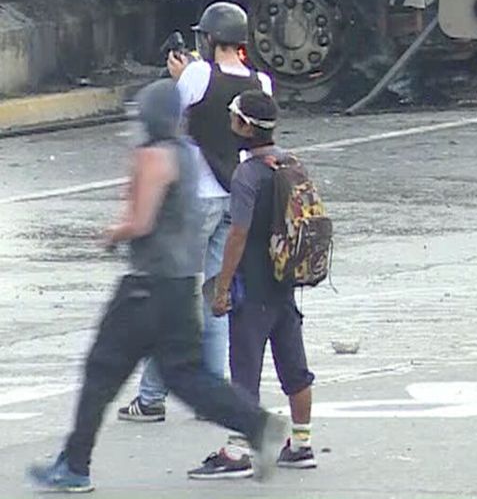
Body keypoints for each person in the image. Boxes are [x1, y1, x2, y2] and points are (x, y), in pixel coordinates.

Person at [26, 81, 286, 493]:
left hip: (144, 288)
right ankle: (257, 424)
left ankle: (74, 466)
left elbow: (140, 221)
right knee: (186, 375)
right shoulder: (187, 152)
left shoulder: (152, 155)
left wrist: (112, 233)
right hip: (180, 285)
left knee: (101, 372)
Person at [119, 1, 271, 423]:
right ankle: (213, 396)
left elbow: (173, 119)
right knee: (216, 298)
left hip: (198, 199)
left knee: (175, 297)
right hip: (239, 194)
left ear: (209, 38)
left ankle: (151, 398)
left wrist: (178, 77)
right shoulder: (262, 81)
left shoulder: (198, 75)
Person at [190, 91, 318, 478]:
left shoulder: (247, 175)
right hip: (284, 285)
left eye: (234, 118)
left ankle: (237, 451)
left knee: (244, 370)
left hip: (254, 288)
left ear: (245, 126)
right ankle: (301, 444)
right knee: (295, 368)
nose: (231, 124)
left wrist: (224, 286)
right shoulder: (288, 163)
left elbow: (238, 236)